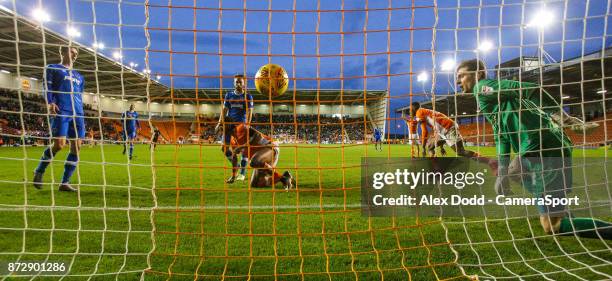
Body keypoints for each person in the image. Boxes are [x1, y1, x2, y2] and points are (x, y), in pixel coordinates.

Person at [457, 58, 611, 239]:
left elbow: (529, 89)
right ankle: (552, 202)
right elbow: (501, 133)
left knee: (552, 226)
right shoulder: (487, 96)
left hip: (543, 148)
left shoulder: (481, 87)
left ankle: (555, 208)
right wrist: (503, 169)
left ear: (478, 74)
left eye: (461, 76)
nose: (458, 81)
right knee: (515, 170)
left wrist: (562, 117)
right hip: (537, 145)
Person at [33, 45, 84, 192]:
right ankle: (39, 170)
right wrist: (50, 102)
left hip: (78, 113)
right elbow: (47, 87)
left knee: (77, 147)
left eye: (76, 53)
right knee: (59, 145)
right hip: (62, 110)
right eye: (71, 52)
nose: (74, 55)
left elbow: (79, 94)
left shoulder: (79, 76)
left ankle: (64, 182)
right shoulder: (52, 68)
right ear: (62, 52)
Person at [407, 102, 497, 169]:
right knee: (430, 147)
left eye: (411, 108)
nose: (410, 110)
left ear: (414, 108)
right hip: (444, 130)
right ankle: (437, 170)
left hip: (448, 128)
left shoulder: (419, 112)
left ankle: (489, 161)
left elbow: (424, 131)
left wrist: (423, 147)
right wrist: (441, 147)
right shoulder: (423, 112)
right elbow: (437, 128)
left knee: (460, 151)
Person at [227, 124, 292, 190]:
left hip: (269, 146)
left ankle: (283, 179)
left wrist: (243, 146)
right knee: (255, 184)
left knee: (254, 162)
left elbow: (257, 135)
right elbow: (234, 159)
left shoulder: (241, 127)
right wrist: (233, 176)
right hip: (260, 158)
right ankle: (285, 176)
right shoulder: (232, 141)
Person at [215, 74, 253, 182]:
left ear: (244, 83)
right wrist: (219, 123)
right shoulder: (228, 95)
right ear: (234, 83)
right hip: (229, 126)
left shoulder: (248, 96)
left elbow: (250, 111)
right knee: (224, 148)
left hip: (241, 126)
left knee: (242, 150)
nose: (238, 84)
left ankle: (242, 173)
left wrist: (248, 124)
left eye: (240, 82)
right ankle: (236, 166)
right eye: (236, 82)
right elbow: (224, 110)